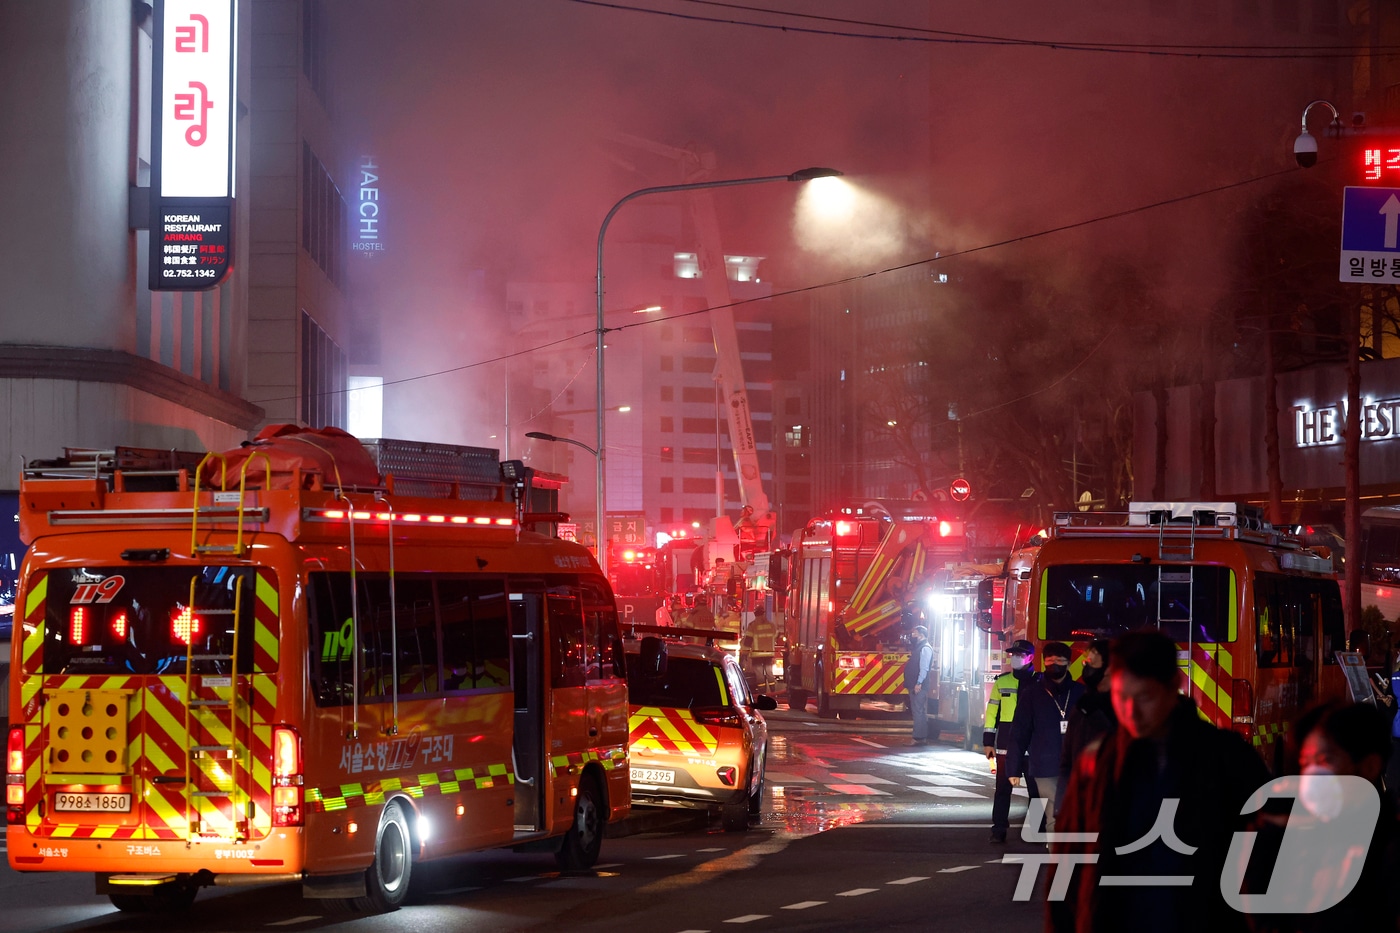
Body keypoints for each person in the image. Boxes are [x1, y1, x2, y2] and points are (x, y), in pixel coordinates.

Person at [1050, 629, 1270, 933]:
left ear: (1173, 686)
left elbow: (1266, 855)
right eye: (1122, 697)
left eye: (1145, 697)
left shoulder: (1228, 757)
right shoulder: (1098, 761)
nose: (1132, 712)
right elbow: (1068, 862)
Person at [1244, 701, 1398, 932]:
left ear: (1369, 766)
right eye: (1305, 763)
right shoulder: (1292, 842)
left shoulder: (1388, 851)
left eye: (1325, 761)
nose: (1312, 775)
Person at [1005, 641, 1085, 833]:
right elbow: (1019, 732)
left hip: (1078, 766)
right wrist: (1013, 768)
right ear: (1043, 662)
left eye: (1059, 660)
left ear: (1068, 663)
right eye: (1050, 660)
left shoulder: (1081, 693)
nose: (1054, 664)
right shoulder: (1032, 694)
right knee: (1055, 812)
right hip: (1045, 766)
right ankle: (1056, 850)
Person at [983, 639, 1037, 843]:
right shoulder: (1002, 681)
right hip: (1006, 745)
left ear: (1030, 657)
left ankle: (1036, 829)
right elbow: (992, 713)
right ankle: (998, 830)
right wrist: (988, 741)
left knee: (1037, 791)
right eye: (1013, 654)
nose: (1015, 658)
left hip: (1033, 746)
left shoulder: (1040, 682)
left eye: (1020, 655)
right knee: (1003, 790)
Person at [905, 625, 934, 746]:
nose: (913, 635)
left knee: (918, 711)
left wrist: (919, 683)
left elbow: (924, 668)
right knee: (918, 711)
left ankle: (918, 737)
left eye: (915, 633)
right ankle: (920, 737)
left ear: (921, 635)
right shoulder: (920, 647)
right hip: (915, 684)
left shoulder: (925, 648)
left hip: (919, 685)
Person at [743, 604, 777, 692]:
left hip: (756, 654)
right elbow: (776, 635)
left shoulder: (752, 625)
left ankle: (762, 692)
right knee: (769, 672)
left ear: (755, 614)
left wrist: (745, 653)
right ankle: (773, 691)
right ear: (763, 613)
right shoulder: (771, 625)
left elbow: (748, 641)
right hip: (769, 653)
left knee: (759, 674)